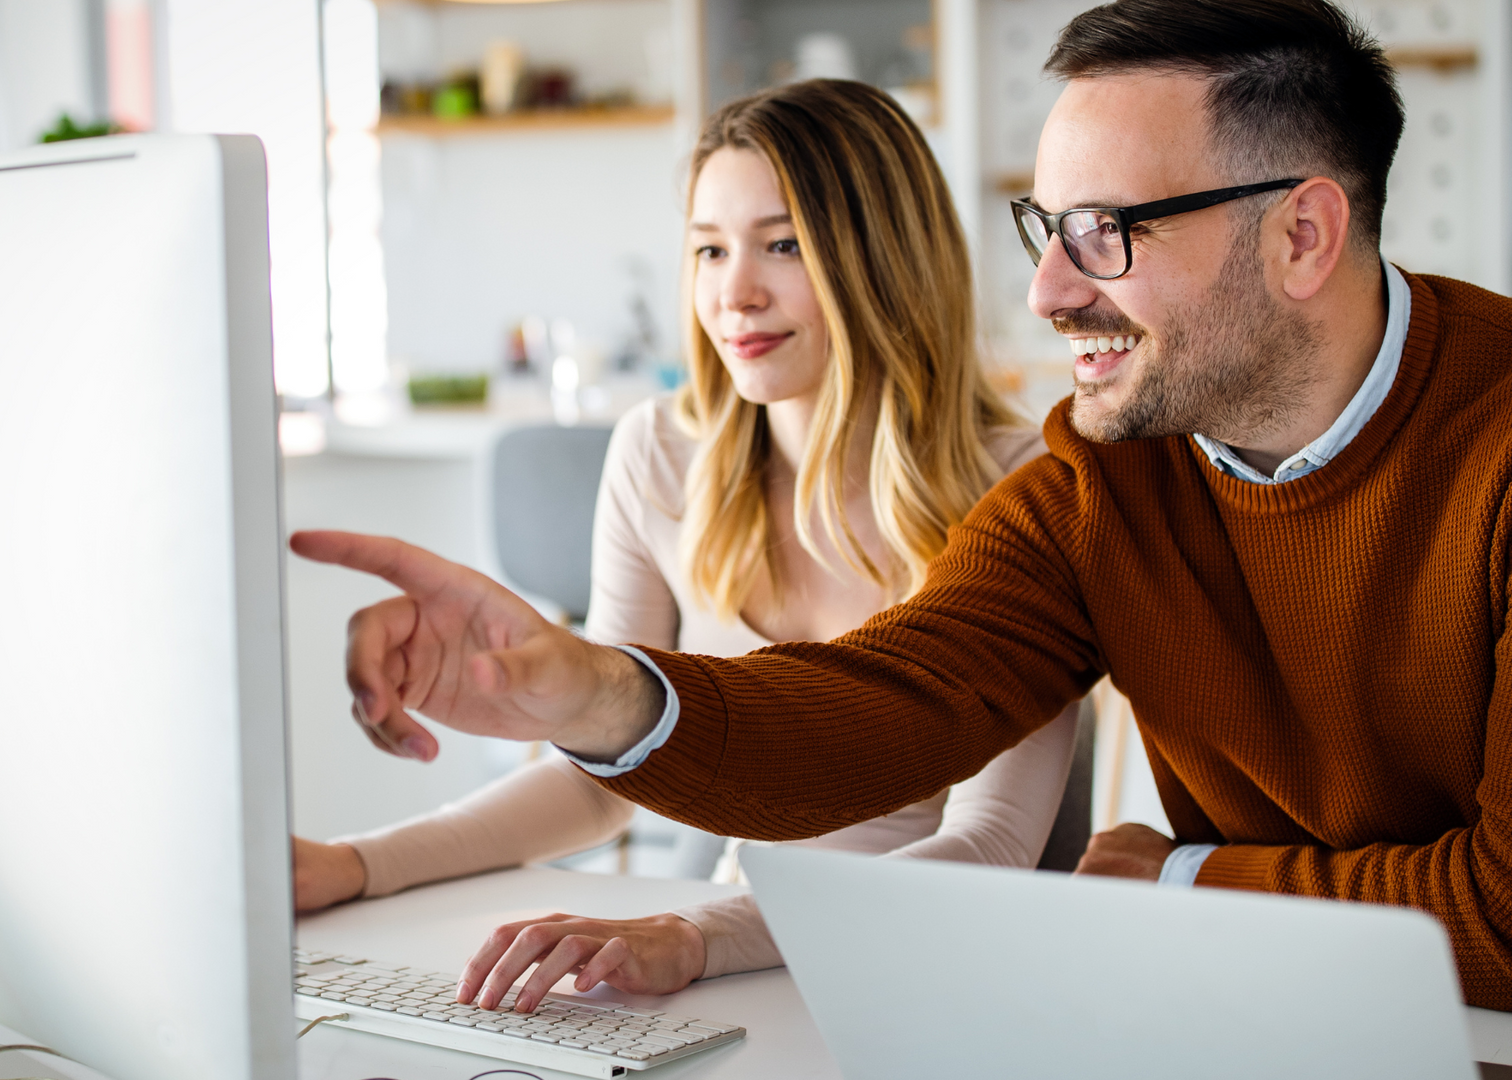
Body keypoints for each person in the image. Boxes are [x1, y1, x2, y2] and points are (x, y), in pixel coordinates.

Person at [292, 0, 1512, 1017]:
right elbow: (877, 710)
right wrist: (595, 689)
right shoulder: (1102, 472)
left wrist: (1178, 867)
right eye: (1043, 231)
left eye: (1105, 235)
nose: (1053, 291)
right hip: (1299, 1002)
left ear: (1304, 232)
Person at [290, 78, 1079, 1010]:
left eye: (783, 245)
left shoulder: (1028, 484)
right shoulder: (661, 455)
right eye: (709, 249)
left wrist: (700, 936)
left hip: (926, 972)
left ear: (884, 257)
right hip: (737, 960)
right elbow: (596, 781)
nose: (733, 293)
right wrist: (356, 865)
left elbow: (988, 846)